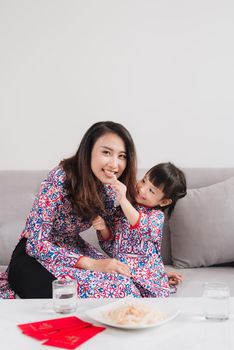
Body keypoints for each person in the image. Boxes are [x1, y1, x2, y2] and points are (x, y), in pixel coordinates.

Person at [4, 121, 142, 299]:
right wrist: (93, 264)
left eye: (122, 156)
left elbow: (111, 244)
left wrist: (146, 272)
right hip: (34, 257)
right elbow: (36, 244)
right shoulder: (59, 178)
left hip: (73, 249)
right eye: (106, 152)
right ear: (89, 150)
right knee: (115, 291)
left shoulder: (109, 188)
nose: (115, 164)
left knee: (128, 283)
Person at [92, 162, 187, 297]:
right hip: (122, 270)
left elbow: (139, 224)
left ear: (164, 202)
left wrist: (123, 199)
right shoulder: (123, 209)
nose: (142, 189)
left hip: (144, 275)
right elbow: (111, 241)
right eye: (143, 181)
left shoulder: (155, 217)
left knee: (123, 288)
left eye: (151, 190)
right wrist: (103, 228)